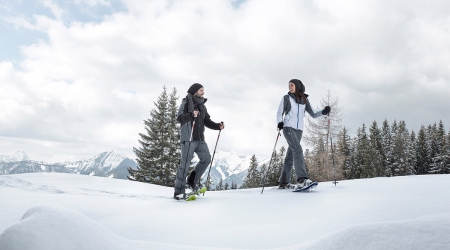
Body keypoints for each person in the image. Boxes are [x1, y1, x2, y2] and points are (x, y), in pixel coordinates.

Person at [276, 79, 330, 189]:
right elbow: (279, 112)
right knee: (298, 150)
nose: (290, 87)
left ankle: (284, 183)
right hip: (288, 127)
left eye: (292, 85)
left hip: (299, 130)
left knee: (290, 156)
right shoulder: (286, 98)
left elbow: (314, 114)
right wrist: (279, 122)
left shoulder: (304, 100)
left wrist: (323, 112)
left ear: (298, 86)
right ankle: (302, 179)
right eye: (289, 85)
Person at [174, 83, 224, 200]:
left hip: (200, 139)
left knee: (206, 159)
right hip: (189, 139)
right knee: (184, 165)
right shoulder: (186, 102)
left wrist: (218, 126)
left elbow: (206, 120)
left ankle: (192, 181)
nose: (203, 92)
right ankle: (179, 192)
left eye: (203, 90)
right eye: (201, 90)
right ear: (195, 91)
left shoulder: (202, 106)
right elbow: (179, 117)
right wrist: (191, 115)